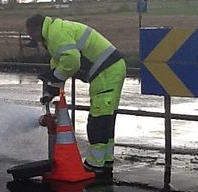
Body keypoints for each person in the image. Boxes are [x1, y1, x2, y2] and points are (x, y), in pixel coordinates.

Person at [25, 14, 126, 175]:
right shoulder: (55, 32)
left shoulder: (56, 34)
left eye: (31, 35)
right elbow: (60, 66)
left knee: (98, 120)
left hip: (106, 71)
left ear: (36, 29)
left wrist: (55, 78)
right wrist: (52, 89)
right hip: (110, 69)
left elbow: (71, 62)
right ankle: (105, 161)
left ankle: (94, 165)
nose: (33, 39)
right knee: (106, 118)